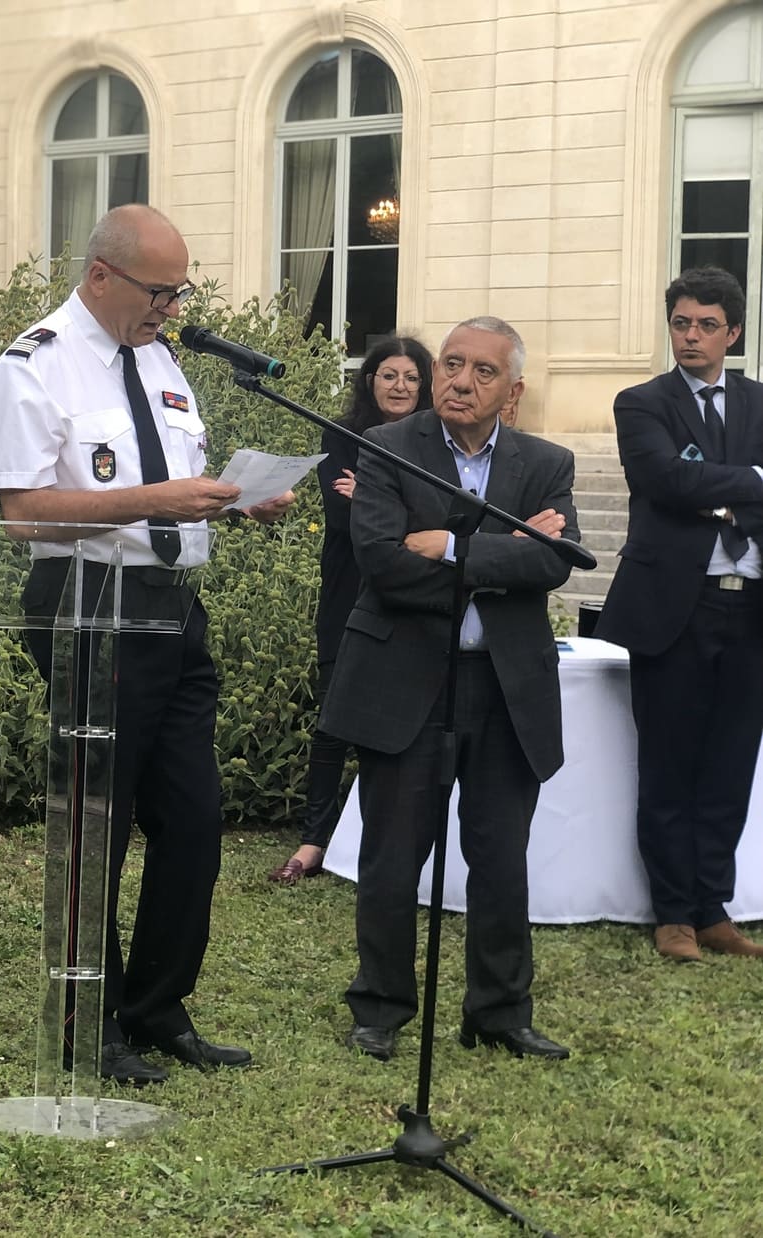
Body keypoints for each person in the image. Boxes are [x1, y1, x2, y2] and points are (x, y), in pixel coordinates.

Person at [0, 203, 293, 1086]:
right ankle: (91, 1020)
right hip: (90, 608)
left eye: (181, 291)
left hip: (172, 609)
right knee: (97, 829)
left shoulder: (161, 361)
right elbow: (20, 513)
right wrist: (155, 503)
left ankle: (160, 1008)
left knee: (193, 820)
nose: (173, 308)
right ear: (102, 274)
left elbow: (169, 481)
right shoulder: (33, 367)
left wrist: (234, 498)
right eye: (160, 291)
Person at [318, 316, 578, 1063]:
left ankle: (499, 1012)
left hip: (505, 689)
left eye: (483, 372)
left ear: (513, 389)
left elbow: (555, 564)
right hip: (404, 683)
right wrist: (508, 547)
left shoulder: (546, 461)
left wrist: (454, 546)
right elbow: (382, 564)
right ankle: (381, 1008)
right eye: (453, 365)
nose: (460, 382)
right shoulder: (388, 448)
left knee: (501, 857)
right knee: (393, 858)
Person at [595, 266, 763, 963]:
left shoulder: (759, 401)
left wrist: (715, 494)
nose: (690, 337)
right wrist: (754, 482)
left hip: (751, 609)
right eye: (680, 324)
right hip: (674, 608)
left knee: (729, 766)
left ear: (735, 333)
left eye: (705, 326)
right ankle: (673, 915)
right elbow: (663, 479)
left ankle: (713, 907)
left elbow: (692, 484)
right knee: (668, 764)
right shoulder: (642, 402)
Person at [269, 337, 434, 885]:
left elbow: (448, 523)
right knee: (335, 714)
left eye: (411, 377)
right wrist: (406, 513)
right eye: (389, 375)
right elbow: (349, 525)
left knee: (406, 717)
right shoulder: (342, 435)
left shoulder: (434, 443)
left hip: (412, 592)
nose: (400, 387)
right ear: (370, 380)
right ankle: (315, 839)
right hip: (348, 588)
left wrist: (374, 497)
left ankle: (381, 842)